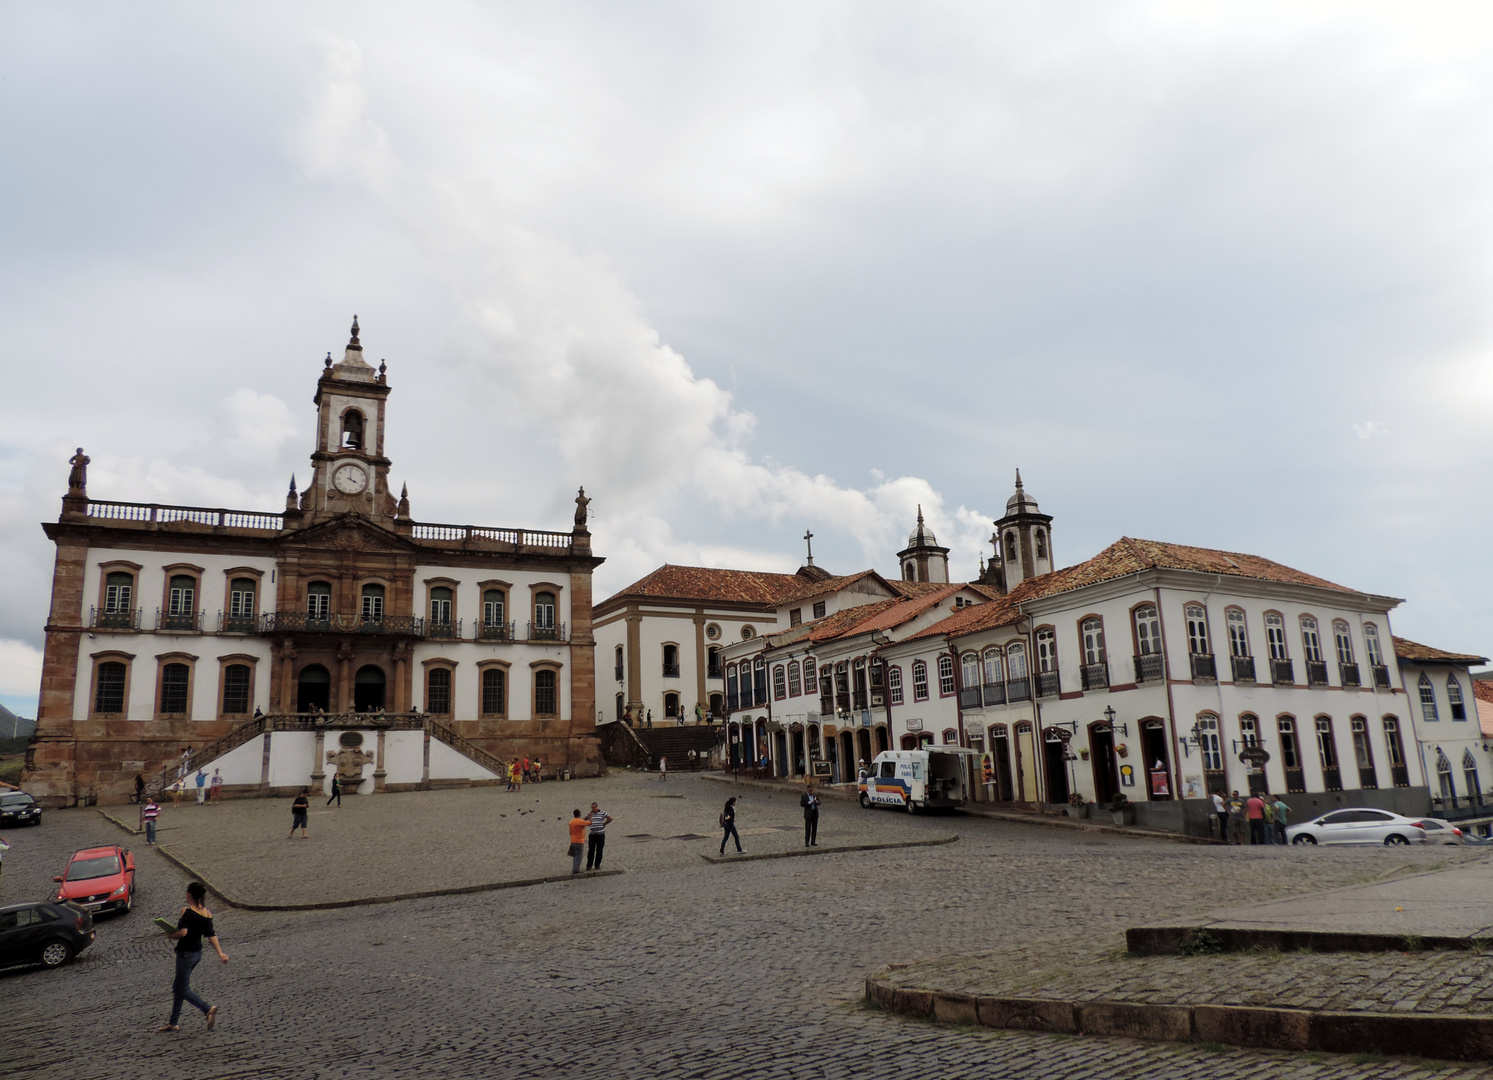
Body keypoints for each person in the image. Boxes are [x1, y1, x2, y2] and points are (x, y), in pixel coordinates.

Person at [158, 881, 228, 1032]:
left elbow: (183, 933)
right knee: (179, 987)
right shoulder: (207, 913)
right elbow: (211, 935)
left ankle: (207, 1009)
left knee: (182, 989)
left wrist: (171, 935)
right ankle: (173, 1022)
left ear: (189, 895)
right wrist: (220, 953)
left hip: (185, 954)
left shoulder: (186, 911)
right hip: (197, 954)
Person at [585, 802, 612, 871]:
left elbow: (610, 818)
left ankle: (597, 865)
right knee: (591, 850)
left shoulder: (602, 813)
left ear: (597, 807)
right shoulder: (590, 814)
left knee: (599, 850)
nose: (593, 809)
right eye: (592, 808)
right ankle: (589, 865)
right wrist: (589, 818)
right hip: (592, 835)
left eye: (594, 807)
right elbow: (583, 820)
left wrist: (604, 823)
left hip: (600, 834)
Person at [568, 808, 588, 875]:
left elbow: (570, 832)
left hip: (573, 840)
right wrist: (590, 817)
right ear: (580, 814)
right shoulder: (580, 821)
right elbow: (589, 823)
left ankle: (574, 868)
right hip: (579, 840)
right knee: (579, 856)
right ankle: (576, 869)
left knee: (575, 855)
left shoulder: (571, 822)